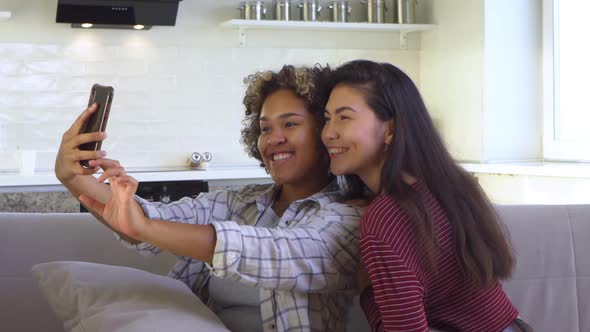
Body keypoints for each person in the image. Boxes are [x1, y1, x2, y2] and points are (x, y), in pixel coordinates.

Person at [54, 65, 363, 332]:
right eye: (265, 128)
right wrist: (71, 176)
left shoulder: (347, 216)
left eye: (290, 124)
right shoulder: (238, 203)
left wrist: (143, 227)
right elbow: (149, 220)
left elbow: (274, 253)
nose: (273, 138)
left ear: (325, 133)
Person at [321, 60, 533, 332]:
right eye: (327, 118)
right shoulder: (445, 183)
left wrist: (367, 292)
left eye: (344, 117)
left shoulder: (384, 220)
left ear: (390, 129)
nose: (329, 133)